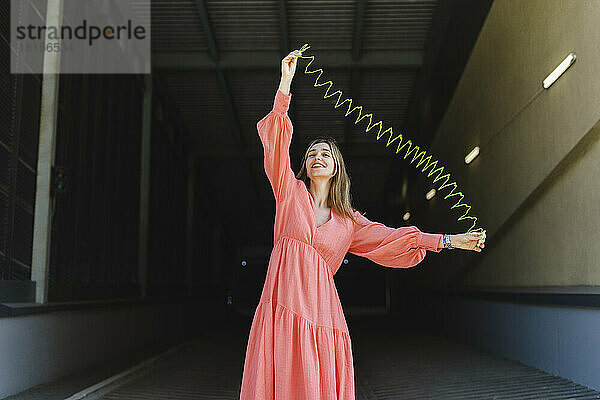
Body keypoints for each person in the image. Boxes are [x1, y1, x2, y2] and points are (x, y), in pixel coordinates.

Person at [239, 49, 486, 400]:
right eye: (311, 154)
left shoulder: (349, 222)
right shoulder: (289, 191)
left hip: (322, 314)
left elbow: (392, 239)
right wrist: (285, 83)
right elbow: (276, 147)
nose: (316, 157)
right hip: (282, 305)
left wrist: (446, 241)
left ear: (336, 167)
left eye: (325, 153)